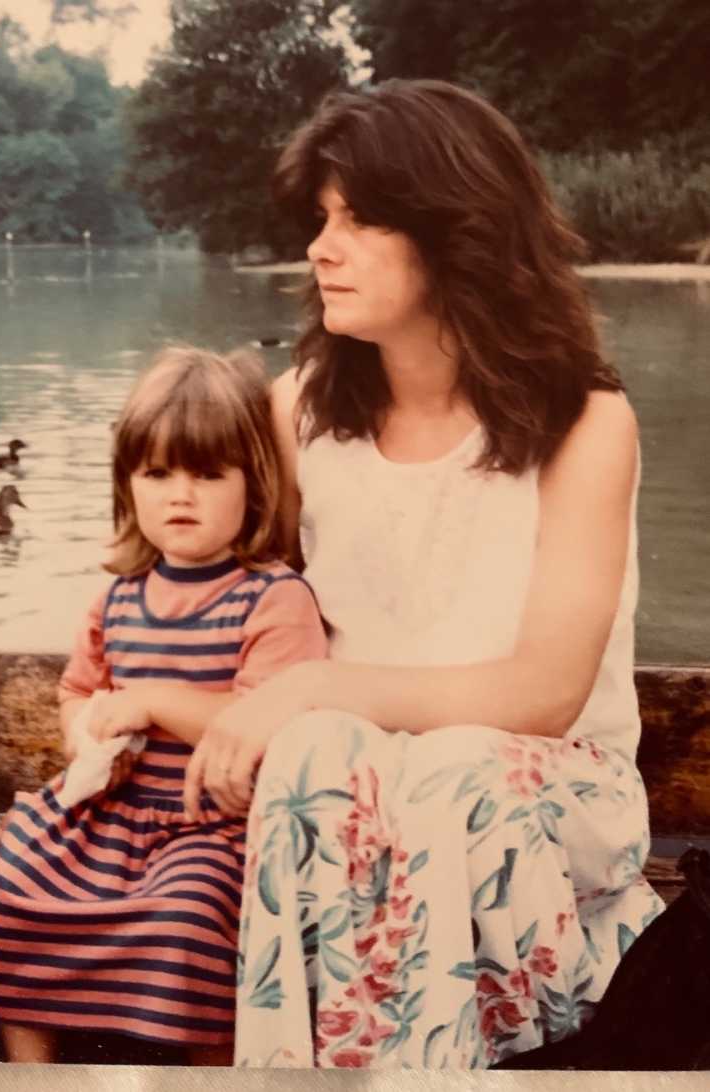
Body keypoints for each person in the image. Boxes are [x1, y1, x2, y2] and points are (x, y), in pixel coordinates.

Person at [181, 79, 666, 1068]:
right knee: (317, 754)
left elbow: (544, 692)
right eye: (321, 220)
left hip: (553, 807)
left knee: (440, 774)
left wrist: (315, 688)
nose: (321, 249)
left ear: (458, 235)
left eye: (357, 222)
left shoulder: (586, 421)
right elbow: (226, 601)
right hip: (368, 803)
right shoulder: (299, 411)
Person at [0, 345, 328, 1065]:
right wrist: (85, 734)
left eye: (206, 473)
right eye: (157, 473)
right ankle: (29, 1074)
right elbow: (77, 690)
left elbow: (275, 723)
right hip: (111, 814)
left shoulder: (273, 598)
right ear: (128, 486)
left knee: (188, 919)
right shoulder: (119, 598)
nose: (180, 495)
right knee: (6, 888)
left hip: (214, 825)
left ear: (253, 486)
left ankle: (209, 1073)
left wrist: (153, 701)